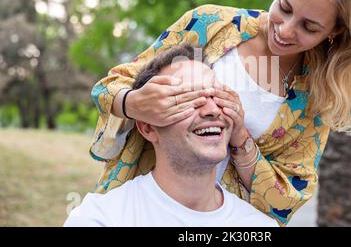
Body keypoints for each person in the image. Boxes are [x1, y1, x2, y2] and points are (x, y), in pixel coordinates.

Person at [90, 0, 351, 226]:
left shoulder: (316, 95)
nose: (285, 29)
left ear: (335, 30)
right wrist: (134, 102)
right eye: (285, 6)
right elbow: (108, 86)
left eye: (309, 27)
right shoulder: (210, 27)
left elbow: (286, 201)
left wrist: (241, 138)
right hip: (141, 213)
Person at [65, 45, 278, 227]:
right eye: (188, 98)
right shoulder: (101, 218)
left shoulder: (257, 226)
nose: (212, 109)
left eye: (217, 95)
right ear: (148, 128)